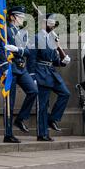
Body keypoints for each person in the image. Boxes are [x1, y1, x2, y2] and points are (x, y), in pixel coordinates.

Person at [0, 5, 38, 143]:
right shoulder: (5, 30)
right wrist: (4, 67)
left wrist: (18, 50)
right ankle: (8, 134)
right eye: (20, 16)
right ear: (13, 17)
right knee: (10, 101)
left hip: (21, 68)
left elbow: (28, 52)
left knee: (33, 91)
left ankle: (20, 119)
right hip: (10, 67)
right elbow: (0, 50)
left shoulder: (22, 33)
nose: (22, 19)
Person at [27, 13, 71, 141]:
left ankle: (53, 119)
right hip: (40, 72)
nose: (53, 25)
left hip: (51, 72)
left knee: (65, 93)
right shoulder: (36, 38)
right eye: (50, 22)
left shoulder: (52, 39)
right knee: (43, 104)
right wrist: (32, 77)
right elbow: (31, 59)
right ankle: (42, 133)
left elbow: (54, 60)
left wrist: (63, 61)